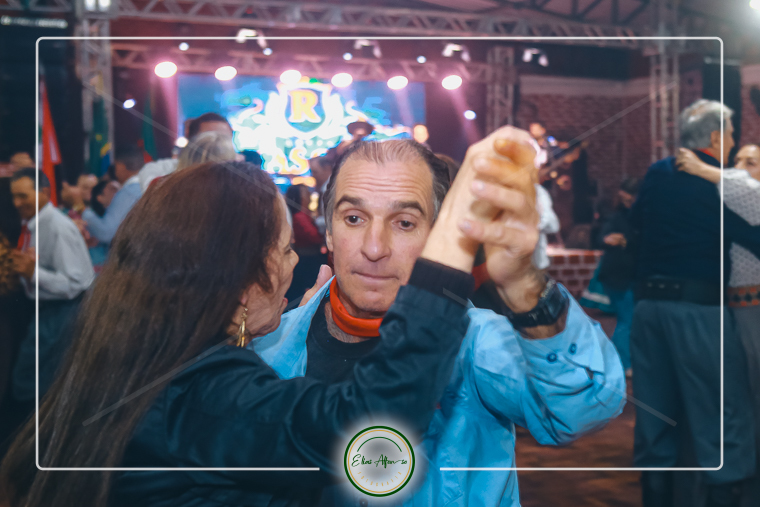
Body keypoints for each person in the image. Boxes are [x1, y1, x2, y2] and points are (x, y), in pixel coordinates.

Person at [0, 159, 501, 507]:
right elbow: (373, 428)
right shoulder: (205, 392)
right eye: (286, 250)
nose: (294, 266)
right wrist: (451, 248)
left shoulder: (135, 355)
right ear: (240, 282)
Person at [251, 129, 626, 506]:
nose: (374, 247)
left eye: (404, 223)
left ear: (437, 238)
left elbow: (583, 407)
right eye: (354, 218)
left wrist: (523, 284)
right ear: (329, 232)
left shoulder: (473, 341)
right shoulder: (269, 346)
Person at [630, 99, 760, 507]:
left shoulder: (657, 173)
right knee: (722, 417)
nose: (733, 143)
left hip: (648, 308)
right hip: (698, 309)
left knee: (655, 418)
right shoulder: (721, 182)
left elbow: (636, 228)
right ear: (716, 138)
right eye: (732, 136)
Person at [677, 143, 760, 500]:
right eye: (737, 160)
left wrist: (705, 170)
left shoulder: (749, 194)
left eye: (751, 162)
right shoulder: (728, 198)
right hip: (726, 308)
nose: (740, 167)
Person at [8, 168, 94, 405]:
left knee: (29, 382)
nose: (17, 203)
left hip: (62, 311)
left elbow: (75, 283)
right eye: (14, 196)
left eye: (23, 196)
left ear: (44, 192)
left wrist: (33, 273)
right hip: (51, 310)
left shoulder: (57, 227)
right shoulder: (36, 223)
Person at [597, 177, 640, 374]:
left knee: (627, 320)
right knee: (626, 320)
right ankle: (622, 363)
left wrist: (624, 241)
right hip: (620, 275)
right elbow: (602, 237)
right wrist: (614, 240)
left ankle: (621, 361)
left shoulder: (630, 215)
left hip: (624, 274)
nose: (628, 201)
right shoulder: (621, 216)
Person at [137, 113, 235, 192]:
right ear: (190, 139)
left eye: (224, 138)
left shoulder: (239, 175)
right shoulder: (160, 170)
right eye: (208, 137)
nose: (217, 143)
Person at [81, 147, 143, 245]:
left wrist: (85, 213)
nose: (115, 171)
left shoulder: (129, 192)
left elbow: (106, 233)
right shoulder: (148, 186)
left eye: (116, 166)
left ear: (121, 166)